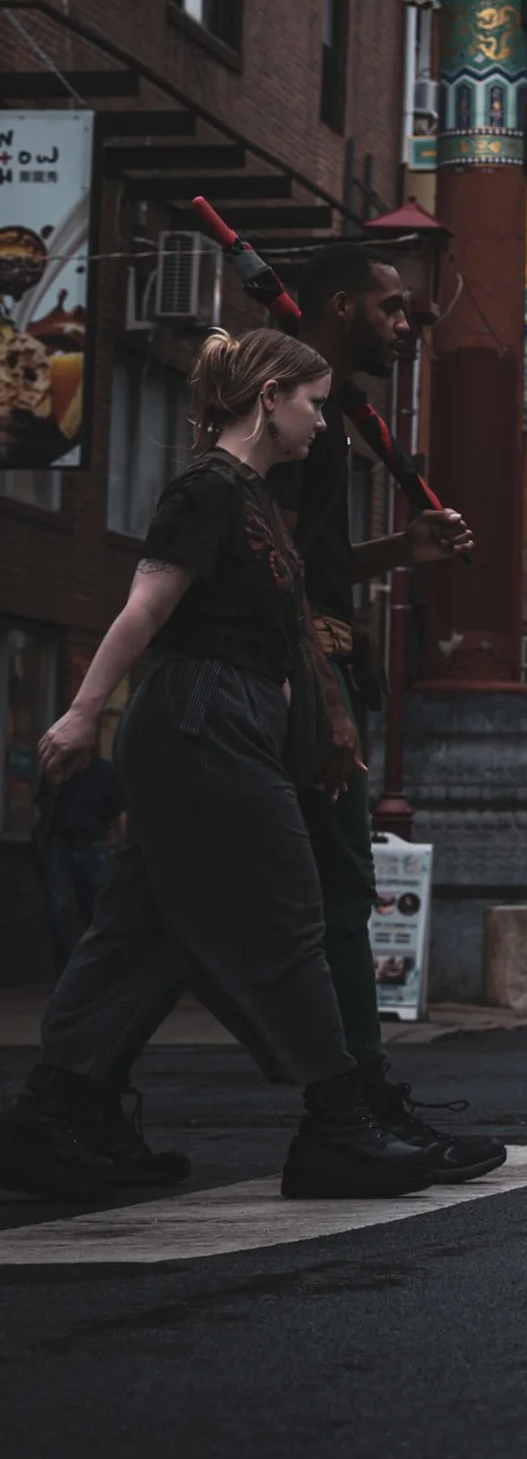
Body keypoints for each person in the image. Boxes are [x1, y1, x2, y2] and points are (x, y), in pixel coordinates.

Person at [0, 328, 449, 1202]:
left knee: (145, 930)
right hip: (199, 717)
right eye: (315, 404)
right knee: (288, 914)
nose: (323, 421)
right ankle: (339, 1126)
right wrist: (84, 709)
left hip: (220, 720)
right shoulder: (208, 487)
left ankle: (58, 1116)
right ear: (271, 396)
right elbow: (144, 606)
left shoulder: (252, 500)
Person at [269, 241, 500, 1177]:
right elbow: (273, 566)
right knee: (338, 894)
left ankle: (67, 1099)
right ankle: (353, 1104)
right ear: (335, 306)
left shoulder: (310, 409)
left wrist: (402, 552)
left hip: (281, 671)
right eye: (391, 307)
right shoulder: (292, 412)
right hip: (291, 677)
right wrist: (324, 698)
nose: (408, 324)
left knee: (160, 911)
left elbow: (306, 559)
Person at [34, 747, 124, 973]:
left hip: (94, 847)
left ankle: (95, 975)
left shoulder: (105, 772)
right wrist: (53, 782)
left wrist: (124, 847)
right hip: (60, 845)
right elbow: (40, 806)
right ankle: (64, 975)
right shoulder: (58, 769)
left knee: (97, 913)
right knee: (59, 911)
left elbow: (121, 811)